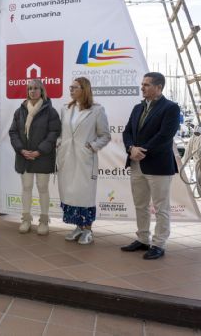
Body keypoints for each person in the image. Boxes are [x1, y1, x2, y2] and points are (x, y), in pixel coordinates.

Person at [121, 72, 180, 260]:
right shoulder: (137, 107)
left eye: (147, 85)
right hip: (136, 163)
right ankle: (143, 239)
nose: (142, 87)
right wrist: (131, 148)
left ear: (159, 87)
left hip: (158, 165)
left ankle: (159, 244)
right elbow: (127, 131)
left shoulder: (171, 108)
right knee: (140, 205)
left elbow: (165, 135)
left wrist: (142, 150)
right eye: (142, 84)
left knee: (161, 207)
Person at [56, 77, 111, 245]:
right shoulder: (66, 108)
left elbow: (105, 135)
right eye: (70, 87)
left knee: (84, 196)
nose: (71, 90)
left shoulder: (97, 110)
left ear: (84, 89)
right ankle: (78, 227)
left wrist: (92, 146)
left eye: (74, 87)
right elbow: (62, 132)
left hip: (84, 159)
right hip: (67, 157)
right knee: (70, 195)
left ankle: (88, 230)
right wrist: (59, 143)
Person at [9, 79, 61, 235]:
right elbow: (13, 132)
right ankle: (26, 219)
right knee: (26, 188)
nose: (32, 91)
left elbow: (54, 133)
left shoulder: (50, 111)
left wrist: (39, 151)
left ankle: (44, 221)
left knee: (43, 188)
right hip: (24, 156)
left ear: (42, 91)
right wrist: (21, 149)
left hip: (43, 157)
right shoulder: (20, 111)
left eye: (36, 88)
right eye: (30, 88)